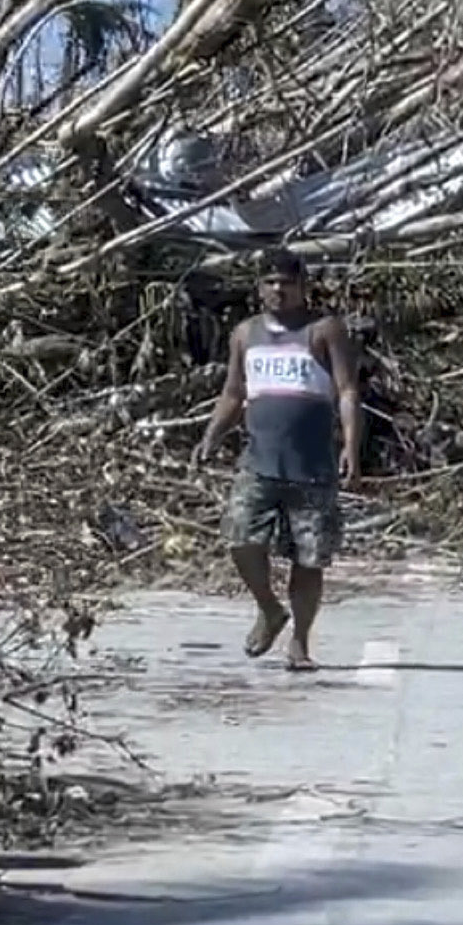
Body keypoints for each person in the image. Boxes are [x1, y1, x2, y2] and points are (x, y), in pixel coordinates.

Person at [197, 248, 364, 670]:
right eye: (270, 282)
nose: (278, 290)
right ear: (259, 288)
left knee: (309, 559)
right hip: (259, 462)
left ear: (302, 287)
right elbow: (234, 394)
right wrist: (211, 436)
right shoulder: (245, 334)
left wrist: (351, 447)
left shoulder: (324, 330)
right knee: (241, 539)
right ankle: (269, 609)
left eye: (287, 283)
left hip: (311, 467)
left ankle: (300, 643)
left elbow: (346, 391)